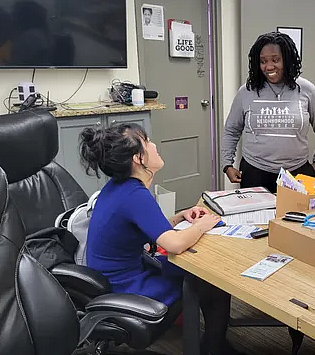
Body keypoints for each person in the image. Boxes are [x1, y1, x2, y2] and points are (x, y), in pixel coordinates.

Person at [79, 123, 239, 355]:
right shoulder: (135, 195)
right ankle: (212, 348)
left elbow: (145, 228)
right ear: (138, 158)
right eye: (147, 142)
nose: (154, 145)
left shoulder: (118, 187)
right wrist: (203, 225)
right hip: (126, 285)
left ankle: (213, 344)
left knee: (199, 273)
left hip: (116, 275)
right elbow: (173, 244)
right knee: (209, 280)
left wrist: (179, 217)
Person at [221, 31, 315, 192]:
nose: (269, 66)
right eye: (263, 61)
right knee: (257, 218)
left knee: (296, 217)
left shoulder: (306, 89)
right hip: (255, 172)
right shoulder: (246, 92)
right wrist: (227, 164)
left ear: (286, 60)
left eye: (275, 60)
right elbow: (231, 130)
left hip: (297, 173)